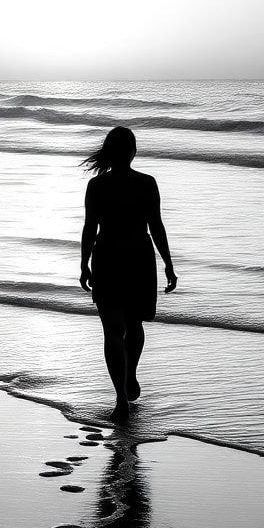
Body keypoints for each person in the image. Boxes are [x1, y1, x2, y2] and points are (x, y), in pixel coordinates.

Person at [79, 126, 177, 419]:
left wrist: (83, 263)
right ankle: (129, 374)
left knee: (113, 331)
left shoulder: (98, 186)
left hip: (107, 257)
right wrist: (168, 264)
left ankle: (121, 396)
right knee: (133, 326)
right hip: (138, 258)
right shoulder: (146, 183)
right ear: (134, 151)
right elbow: (156, 226)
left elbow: (89, 228)